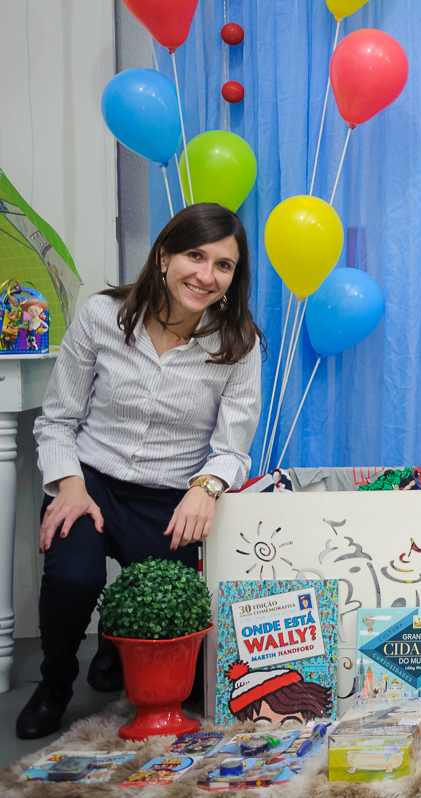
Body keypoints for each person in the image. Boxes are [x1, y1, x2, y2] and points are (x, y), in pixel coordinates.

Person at [17, 203, 262, 739]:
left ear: (233, 277)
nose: (206, 274)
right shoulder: (103, 316)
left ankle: (116, 641)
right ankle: (54, 682)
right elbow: (58, 420)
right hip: (92, 480)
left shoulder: (239, 343)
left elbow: (232, 446)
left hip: (172, 494)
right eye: (195, 255)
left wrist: (206, 488)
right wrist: (72, 486)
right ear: (163, 256)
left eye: (224, 265)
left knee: (181, 638)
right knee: (73, 577)